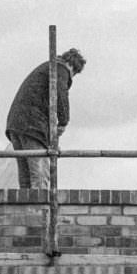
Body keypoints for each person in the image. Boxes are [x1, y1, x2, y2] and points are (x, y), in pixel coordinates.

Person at [6, 48, 86, 190]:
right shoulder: (60, 70)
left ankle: (28, 211)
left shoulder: (46, 68)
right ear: (73, 67)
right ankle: (39, 211)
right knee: (39, 177)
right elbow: (61, 95)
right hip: (32, 126)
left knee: (26, 180)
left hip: (16, 125)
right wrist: (63, 121)